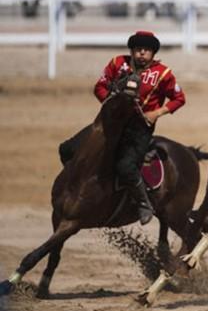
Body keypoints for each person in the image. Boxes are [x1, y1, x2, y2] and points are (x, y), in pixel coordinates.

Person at [58, 30, 186, 225]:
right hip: (108, 124)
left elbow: (179, 99)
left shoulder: (163, 74)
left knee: (126, 167)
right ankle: (74, 187)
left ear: (153, 53)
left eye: (146, 50)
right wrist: (109, 102)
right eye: (138, 49)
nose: (142, 53)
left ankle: (143, 203)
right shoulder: (117, 63)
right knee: (67, 148)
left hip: (139, 129)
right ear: (132, 51)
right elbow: (99, 86)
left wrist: (157, 113)